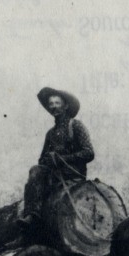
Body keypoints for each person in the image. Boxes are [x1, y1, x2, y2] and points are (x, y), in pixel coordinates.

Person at [18, 87, 95, 227]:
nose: (53, 106)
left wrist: (62, 159)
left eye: (57, 103)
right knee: (35, 170)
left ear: (65, 105)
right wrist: (47, 160)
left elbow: (89, 153)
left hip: (73, 176)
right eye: (51, 104)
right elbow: (41, 160)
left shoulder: (76, 126)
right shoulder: (50, 133)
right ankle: (32, 215)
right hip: (53, 177)